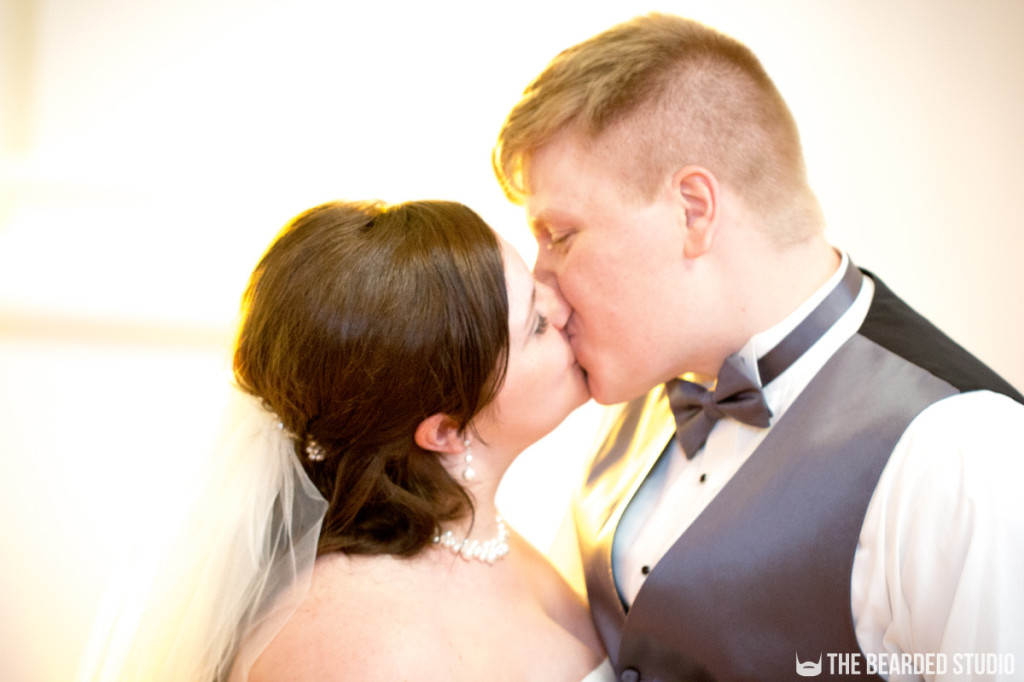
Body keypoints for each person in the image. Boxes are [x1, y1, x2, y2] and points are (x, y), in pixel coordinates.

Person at [493, 13, 1024, 682]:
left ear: (693, 210)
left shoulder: (964, 453)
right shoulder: (633, 395)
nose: (541, 280)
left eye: (560, 234)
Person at [76, 200, 614, 681]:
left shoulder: (480, 537)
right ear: (446, 430)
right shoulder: (355, 646)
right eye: (537, 323)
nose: (565, 306)